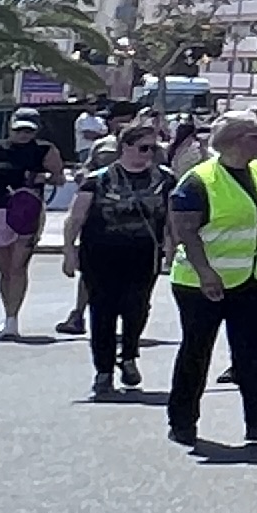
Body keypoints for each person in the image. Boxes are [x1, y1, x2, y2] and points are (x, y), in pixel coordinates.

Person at [165, 113, 257, 448]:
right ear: (235, 140)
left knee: (250, 352)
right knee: (197, 350)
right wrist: (206, 273)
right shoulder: (199, 180)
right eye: (255, 135)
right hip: (201, 282)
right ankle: (182, 420)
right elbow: (185, 232)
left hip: (253, 278)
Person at [68, 122, 174, 397]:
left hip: (144, 254)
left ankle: (128, 355)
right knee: (102, 311)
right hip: (101, 254)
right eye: (143, 147)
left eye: (154, 148)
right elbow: (76, 217)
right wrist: (70, 251)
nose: (149, 153)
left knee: (137, 307)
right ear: (125, 147)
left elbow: (172, 218)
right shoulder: (98, 179)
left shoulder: (164, 179)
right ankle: (103, 370)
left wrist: (172, 249)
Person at [0, 110, 59, 341]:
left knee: (18, 267)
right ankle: (7, 314)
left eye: (29, 130)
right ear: (10, 128)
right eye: (19, 129)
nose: (23, 134)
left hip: (29, 211)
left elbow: (59, 178)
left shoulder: (45, 149)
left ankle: (12, 319)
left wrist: (38, 177)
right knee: (4, 269)